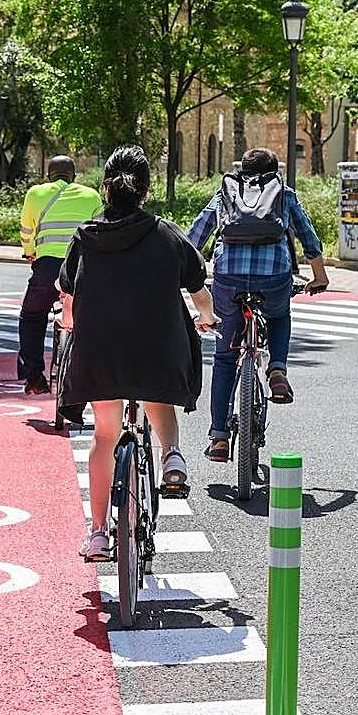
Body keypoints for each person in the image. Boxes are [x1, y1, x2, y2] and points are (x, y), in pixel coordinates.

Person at [57, 146, 217, 561]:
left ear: (105, 188)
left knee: (105, 435)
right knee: (155, 392)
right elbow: (198, 289)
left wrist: (70, 322)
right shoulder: (167, 234)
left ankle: (97, 533)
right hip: (156, 351)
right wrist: (207, 317)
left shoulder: (86, 236)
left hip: (100, 353)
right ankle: (172, 457)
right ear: (145, 190)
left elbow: (68, 298)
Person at [186, 147, 329, 463]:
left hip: (228, 278)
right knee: (279, 315)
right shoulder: (283, 192)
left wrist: (183, 277)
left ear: (240, 170)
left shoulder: (226, 191)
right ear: (275, 170)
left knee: (225, 358)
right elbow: (307, 236)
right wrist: (319, 276)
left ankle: (220, 438)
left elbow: (195, 237)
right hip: (274, 276)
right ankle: (277, 368)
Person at [18, 155, 103, 394]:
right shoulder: (91, 196)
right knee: (90, 317)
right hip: (82, 268)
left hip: (47, 268)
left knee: (32, 316)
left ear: (48, 175)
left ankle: (34, 376)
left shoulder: (35, 193)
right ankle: (92, 374)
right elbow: (99, 229)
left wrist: (29, 252)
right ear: (74, 176)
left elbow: (27, 230)